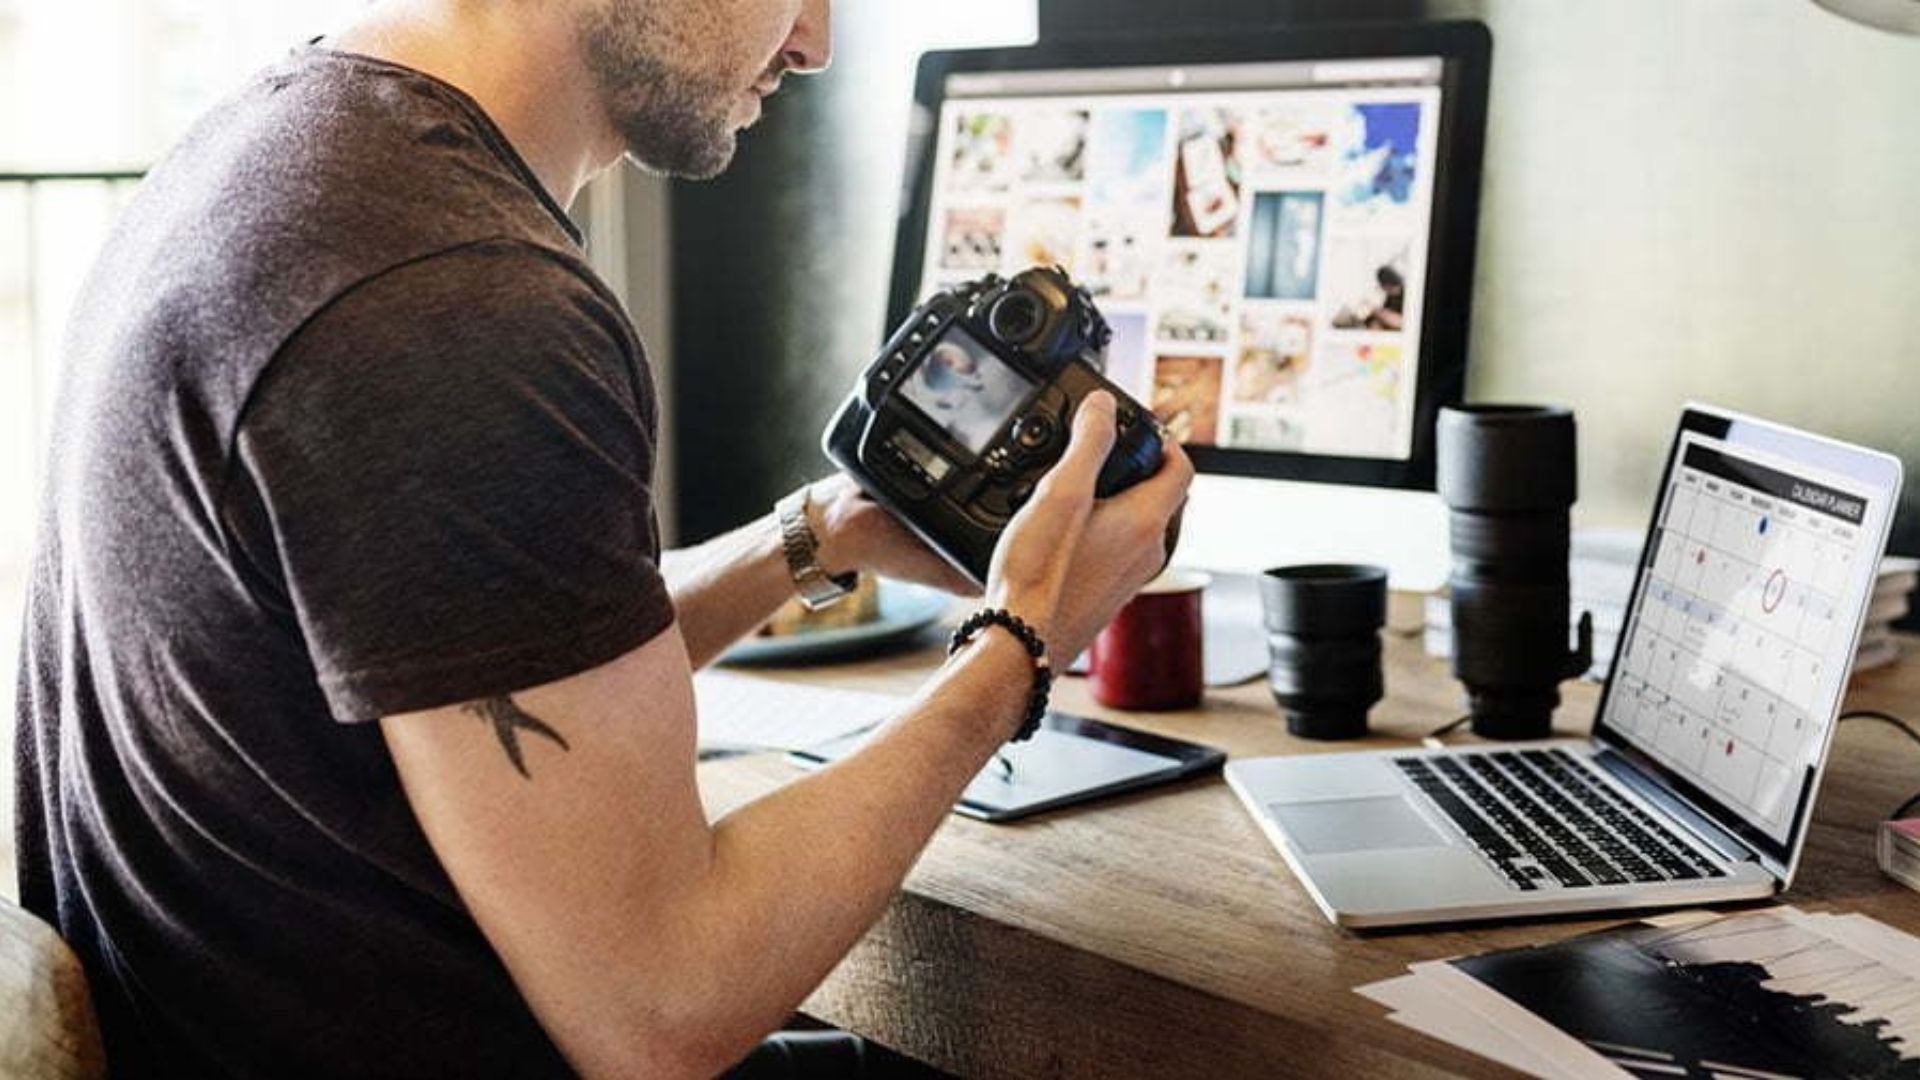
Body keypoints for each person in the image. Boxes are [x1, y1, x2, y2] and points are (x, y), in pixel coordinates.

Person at [12, 0, 1193, 1077]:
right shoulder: (460, 304)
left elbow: (490, 674)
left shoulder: (287, 154)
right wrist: (1020, 640)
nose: (817, 45)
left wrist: (818, 533)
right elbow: (665, 1007)